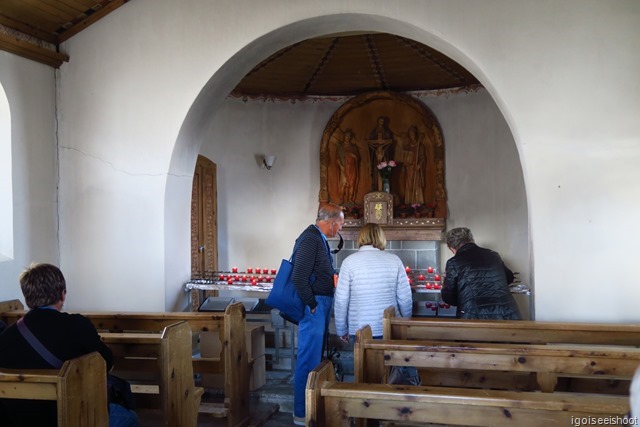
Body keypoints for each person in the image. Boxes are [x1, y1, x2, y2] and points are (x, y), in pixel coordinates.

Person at [0, 263, 140, 427]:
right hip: (68, 415)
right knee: (130, 419)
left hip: (15, 418)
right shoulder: (77, 325)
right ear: (62, 295)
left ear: (27, 298)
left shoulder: (8, 335)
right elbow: (106, 364)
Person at [291, 203, 344, 425]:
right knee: (307, 359)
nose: (340, 229)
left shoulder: (317, 238)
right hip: (314, 305)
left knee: (314, 359)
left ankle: (311, 407)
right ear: (331, 222)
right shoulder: (310, 238)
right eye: (340, 224)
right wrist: (312, 303)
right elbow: (298, 276)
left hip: (319, 303)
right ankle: (302, 413)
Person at [334, 223, 412, 340]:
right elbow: (405, 297)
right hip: (389, 325)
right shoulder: (394, 260)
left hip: (359, 327)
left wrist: (341, 329)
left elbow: (341, 300)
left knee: (361, 358)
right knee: (390, 358)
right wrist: (406, 322)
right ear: (381, 237)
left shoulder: (348, 262)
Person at [441, 227, 521, 320]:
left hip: (474, 316)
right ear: (472, 240)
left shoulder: (454, 262)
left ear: (452, 248)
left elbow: (448, 297)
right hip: (507, 314)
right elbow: (509, 278)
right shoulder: (493, 255)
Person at [367, 116, 395, 191]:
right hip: (376, 155)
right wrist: (376, 148)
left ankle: (384, 188)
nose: (381, 123)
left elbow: (390, 142)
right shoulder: (374, 132)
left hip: (384, 154)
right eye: (380, 121)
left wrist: (383, 149)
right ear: (377, 122)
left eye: (382, 122)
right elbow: (370, 142)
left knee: (385, 170)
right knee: (376, 170)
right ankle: (375, 187)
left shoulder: (387, 132)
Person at [402, 125, 427, 205]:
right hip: (409, 169)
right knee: (409, 185)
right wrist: (405, 163)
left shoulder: (420, 146)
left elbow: (423, 158)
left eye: (413, 134)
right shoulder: (407, 147)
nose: (411, 136)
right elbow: (404, 158)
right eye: (410, 134)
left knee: (417, 184)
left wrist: (419, 165)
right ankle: (409, 202)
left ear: (415, 134)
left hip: (416, 169)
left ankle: (417, 203)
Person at [336, 129, 361, 204]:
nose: (348, 137)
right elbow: (337, 158)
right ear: (344, 136)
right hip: (344, 167)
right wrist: (341, 166)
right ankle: (341, 199)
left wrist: (353, 155)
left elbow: (358, 158)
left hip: (352, 167)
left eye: (349, 136)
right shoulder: (341, 147)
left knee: (352, 183)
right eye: (346, 136)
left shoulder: (353, 147)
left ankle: (350, 199)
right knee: (343, 183)